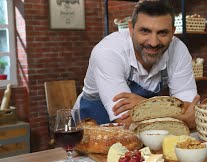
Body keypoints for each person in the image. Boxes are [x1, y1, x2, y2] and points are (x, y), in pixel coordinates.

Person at [74, 0, 199, 129]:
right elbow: (126, 122)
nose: (154, 42)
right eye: (145, 31)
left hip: (148, 133)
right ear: (131, 28)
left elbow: (192, 111)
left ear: (173, 31)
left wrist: (146, 105)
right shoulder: (108, 51)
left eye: (162, 33)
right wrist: (176, 117)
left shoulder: (178, 49)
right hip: (91, 126)